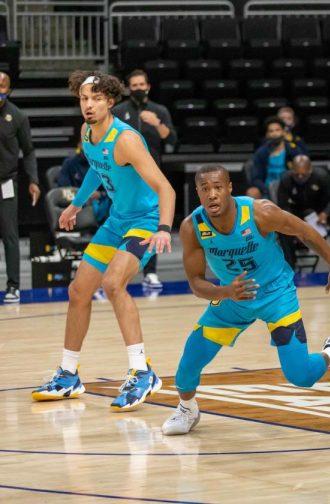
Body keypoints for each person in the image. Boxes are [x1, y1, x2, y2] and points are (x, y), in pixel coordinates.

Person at [161, 165, 330, 435]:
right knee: (187, 366)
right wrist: (226, 292)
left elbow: (304, 231)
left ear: (230, 188)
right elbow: (196, 283)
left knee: (300, 376)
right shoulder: (192, 227)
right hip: (234, 296)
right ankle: (187, 410)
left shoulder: (260, 213)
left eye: (218, 187)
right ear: (197, 192)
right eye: (205, 189)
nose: (212, 195)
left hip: (276, 294)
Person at [31, 71, 177, 411]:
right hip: (116, 222)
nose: (89, 105)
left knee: (113, 284)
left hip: (144, 220)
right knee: (79, 291)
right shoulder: (87, 132)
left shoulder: (126, 140)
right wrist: (76, 204)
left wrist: (164, 229)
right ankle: (68, 374)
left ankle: (142, 372)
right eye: (84, 98)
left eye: (96, 98)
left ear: (110, 101)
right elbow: (97, 167)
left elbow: (165, 187)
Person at [112, 69, 178, 289]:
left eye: (142, 85)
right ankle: (121, 271)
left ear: (148, 86)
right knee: (123, 221)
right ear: (129, 88)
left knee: (153, 223)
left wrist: (157, 123)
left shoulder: (159, 110)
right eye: (134, 85)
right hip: (125, 177)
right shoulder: (120, 111)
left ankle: (150, 272)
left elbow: (172, 140)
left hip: (153, 176)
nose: (138, 88)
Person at [0, 71, 40, 303]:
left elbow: (29, 151)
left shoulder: (17, 116)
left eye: (2, 86)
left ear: (9, 90)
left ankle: (13, 286)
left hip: (6, 183)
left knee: (10, 236)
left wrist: (33, 180)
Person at [277, 154, 330, 259]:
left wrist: (325, 213)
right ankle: (290, 260)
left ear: (310, 170)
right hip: (298, 211)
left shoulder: (321, 176)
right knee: (280, 221)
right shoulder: (286, 179)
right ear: (292, 170)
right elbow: (282, 205)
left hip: (319, 211)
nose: (300, 177)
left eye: (303, 175)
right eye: (296, 174)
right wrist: (294, 224)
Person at [247, 117, 307, 199]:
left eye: (277, 130)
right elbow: (257, 178)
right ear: (267, 134)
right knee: (252, 192)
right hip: (267, 190)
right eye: (271, 131)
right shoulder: (261, 153)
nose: (274, 133)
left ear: (283, 132)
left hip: (289, 189)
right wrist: (266, 189)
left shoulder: (294, 151)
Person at [56, 145, 111, 224]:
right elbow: (64, 189)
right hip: (78, 201)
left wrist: (101, 194)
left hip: (102, 201)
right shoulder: (70, 163)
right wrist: (81, 196)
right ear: (79, 145)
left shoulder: (105, 163)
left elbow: (114, 188)